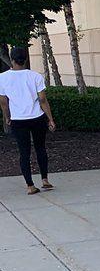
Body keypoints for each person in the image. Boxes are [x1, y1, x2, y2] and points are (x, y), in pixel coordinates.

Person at [0, 45, 56, 194]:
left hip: (18, 120)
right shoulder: (35, 76)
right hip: (37, 118)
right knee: (40, 148)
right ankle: (45, 180)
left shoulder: (2, 78)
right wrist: (50, 119)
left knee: (24, 152)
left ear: (12, 60)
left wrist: (7, 117)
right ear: (25, 60)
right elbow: (43, 100)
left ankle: (30, 186)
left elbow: (4, 102)